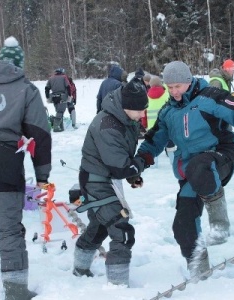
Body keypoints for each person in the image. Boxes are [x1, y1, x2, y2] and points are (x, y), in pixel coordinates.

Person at [137, 60, 234, 279]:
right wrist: (139, 162)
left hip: (219, 158)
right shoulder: (168, 112)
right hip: (191, 172)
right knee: (183, 226)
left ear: (188, 81)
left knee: (200, 166)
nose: (174, 91)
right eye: (171, 87)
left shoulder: (210, 97)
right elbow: (153, 141)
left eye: (179, 86)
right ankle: (199, 270)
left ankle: (220, 222)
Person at [0, 36, 52, 299]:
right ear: (19, 64)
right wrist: (42, 175)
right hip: (5, 160)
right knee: (9, 226)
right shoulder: (26, 89)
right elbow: (39, 135)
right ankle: (15, 289)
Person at [72, 78, 148, 286]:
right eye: (140, 110)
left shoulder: (124, 119)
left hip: (106, 179)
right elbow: (120, 166)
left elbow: (120, 158)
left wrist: (133, 174)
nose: (143, 115)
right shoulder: (108, 125)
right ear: (126, 106)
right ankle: (118, 286)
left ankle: (80, 267)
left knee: (100, 226)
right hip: (96, 182)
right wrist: (141, 163)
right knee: (121, 231)